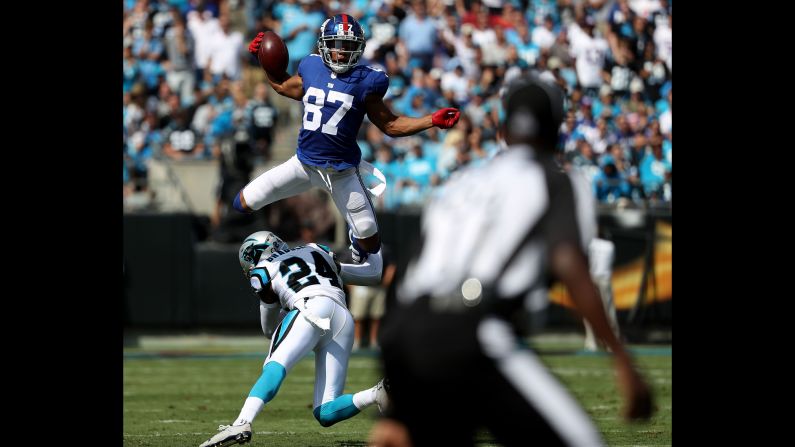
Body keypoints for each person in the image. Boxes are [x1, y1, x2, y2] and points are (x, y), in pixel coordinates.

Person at [372, 74, 653, 446]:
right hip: (475, 331)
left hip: (405, 334)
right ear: (556, 131)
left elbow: (408, 271)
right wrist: (622, 360)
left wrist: (397, 402)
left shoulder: (462, 184)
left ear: (502, 129)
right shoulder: (558, 181)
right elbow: (569, 262)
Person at [235, 14, 461, 282]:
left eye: (347, 46)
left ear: (359, 48)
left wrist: (430, 120)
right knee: (242, 203)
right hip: (303, 166)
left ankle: (354, 238)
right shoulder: (311, 67)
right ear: (323, 44)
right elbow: (283, 85)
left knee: (369, 242)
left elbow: (390, 125)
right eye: (336, 44)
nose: (341, 52)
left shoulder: (367, 81)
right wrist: (263, 59)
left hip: (343, 173)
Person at [199, 230, 389, 447]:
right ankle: (377, 393)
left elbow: (269, 329)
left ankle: (242, 422)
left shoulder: (263, 270)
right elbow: (372, 275)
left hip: (310, 308)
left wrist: (276, 303)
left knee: (274, 367)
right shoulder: (317, 250)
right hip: (343, 318)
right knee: (326, 412)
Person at [349, 245, 396, 351]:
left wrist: (386, 282)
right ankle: (356, 342)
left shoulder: (384, 249)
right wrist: (351, 286)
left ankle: (374, 341)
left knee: (376, 316)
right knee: (358, 316)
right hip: (360, 287)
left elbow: (391, 266)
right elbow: (346, 265)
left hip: (378, 287)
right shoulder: (354, 248)